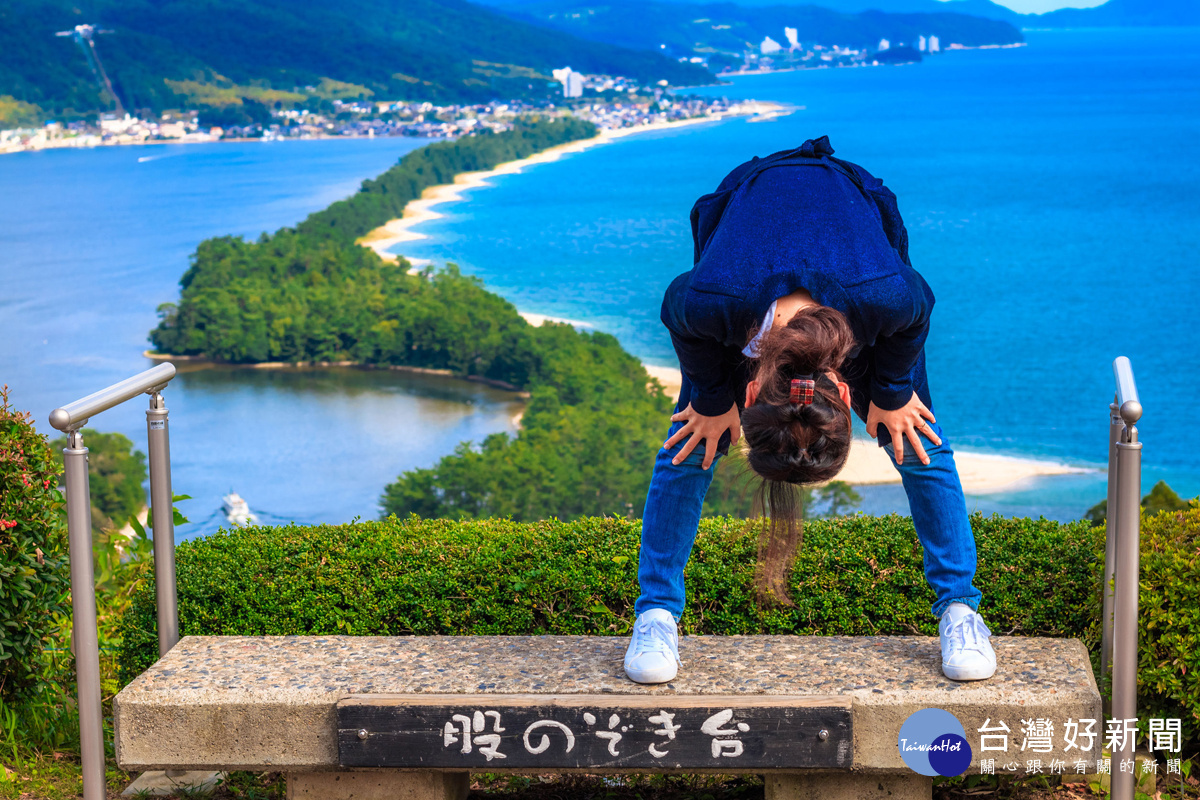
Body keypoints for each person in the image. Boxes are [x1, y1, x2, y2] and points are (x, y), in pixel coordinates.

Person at [623, 136, 996, 685]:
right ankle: (654, 616)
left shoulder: (884, 303)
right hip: (753, 242)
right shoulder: (711, 309)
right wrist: (708, 399)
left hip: (847, 224)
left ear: (845, 391)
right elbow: (676, 305)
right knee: (693, 439)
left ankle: (961, 609)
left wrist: (892, 392)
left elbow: (919, 300)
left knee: (916, 437)